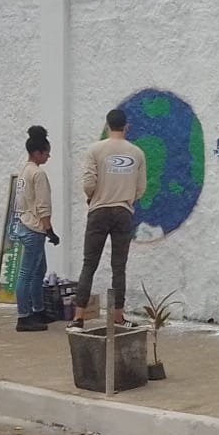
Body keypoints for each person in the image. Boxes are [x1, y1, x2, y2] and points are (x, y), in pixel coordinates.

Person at [73, 108, 147, 328]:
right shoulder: (137, 153)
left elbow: (88, 183)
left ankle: (78, 317)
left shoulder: (94, 150)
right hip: (123, 212)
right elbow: (141, 187)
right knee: (119, 267)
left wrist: (93, 198)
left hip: (98, 210)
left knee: (89, 264)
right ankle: (118, 316)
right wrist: (126, 200)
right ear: (126, 127)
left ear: (107, 126)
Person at [11, 125, 60, 333]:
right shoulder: (38, 174)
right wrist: (50, 229)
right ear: (37, 153)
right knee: (27, 273)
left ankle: (38, 309)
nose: (48, 156)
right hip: (34, 228)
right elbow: (42, 205)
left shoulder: (24, 170)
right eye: (46, 153)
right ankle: (24, 315)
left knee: (38, 271)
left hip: (24, 224)